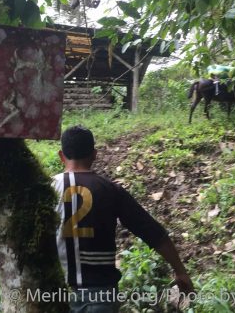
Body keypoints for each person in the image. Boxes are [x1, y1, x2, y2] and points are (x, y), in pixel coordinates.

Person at [53, 125, 194, 312]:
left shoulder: (46, 189)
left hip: (55, 292)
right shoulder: (111, 190)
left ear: (61, 156)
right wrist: (180, 270)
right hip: (102, 295)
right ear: (94, 154)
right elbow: (153, 233)